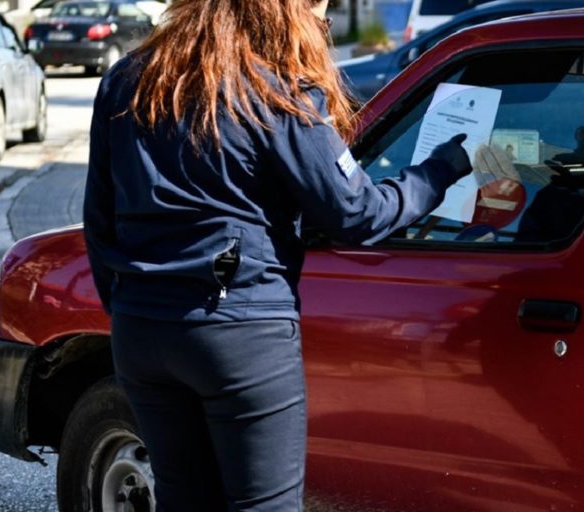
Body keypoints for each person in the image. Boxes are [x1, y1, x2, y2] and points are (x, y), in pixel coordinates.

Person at [83, 0, 472, 510]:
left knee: (183, 499)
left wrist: (132, 306)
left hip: (141, 331)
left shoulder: (128, 80)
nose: (321, 26)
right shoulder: (276, 91)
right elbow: (358, 213)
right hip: (241, 334)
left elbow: (101, 221)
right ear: (287, 12)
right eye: (319, 14)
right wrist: (439, 171)